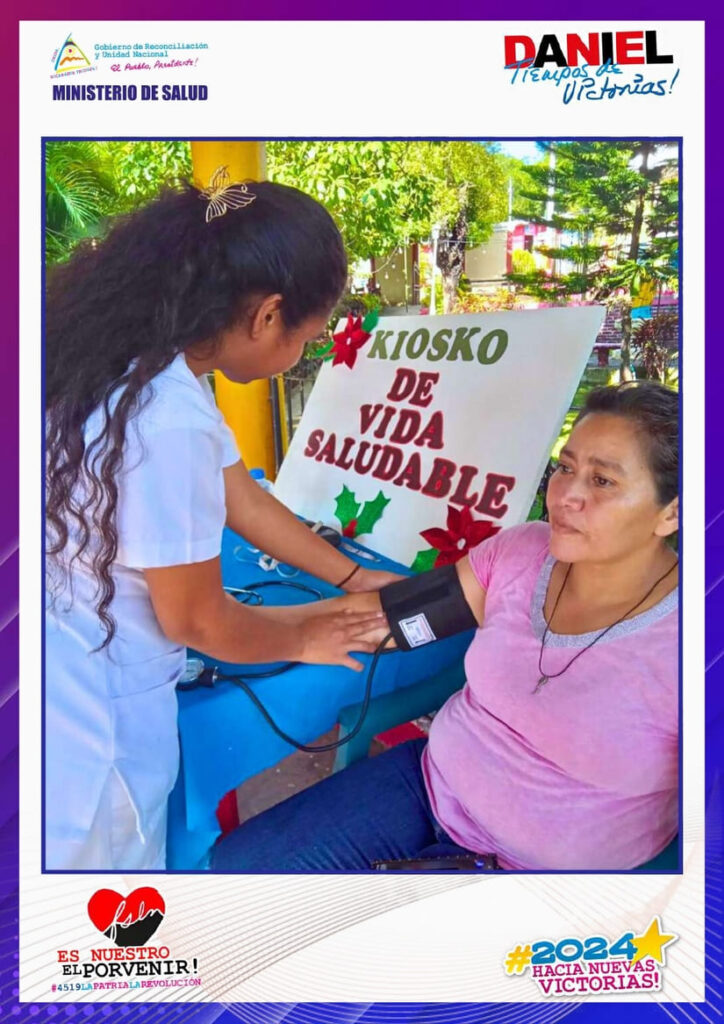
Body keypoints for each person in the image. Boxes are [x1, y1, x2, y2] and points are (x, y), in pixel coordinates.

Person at [45, 177, 399, 871]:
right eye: (310, 337)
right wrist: (308, 634)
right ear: (268, 315)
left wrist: (354, 576)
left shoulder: (132, 363)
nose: (304, 355)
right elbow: (197, 621)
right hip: (90, 729)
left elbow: (242, 496)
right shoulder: (166, 416)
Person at [212, 382, 680, 872]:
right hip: (429, 789)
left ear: (671, 511)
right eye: (565, 468)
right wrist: (232, 626)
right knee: (233, 874)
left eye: (602, 481)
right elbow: (383, 619)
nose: (566, 496)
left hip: (542, 877)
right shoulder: (520, 553)